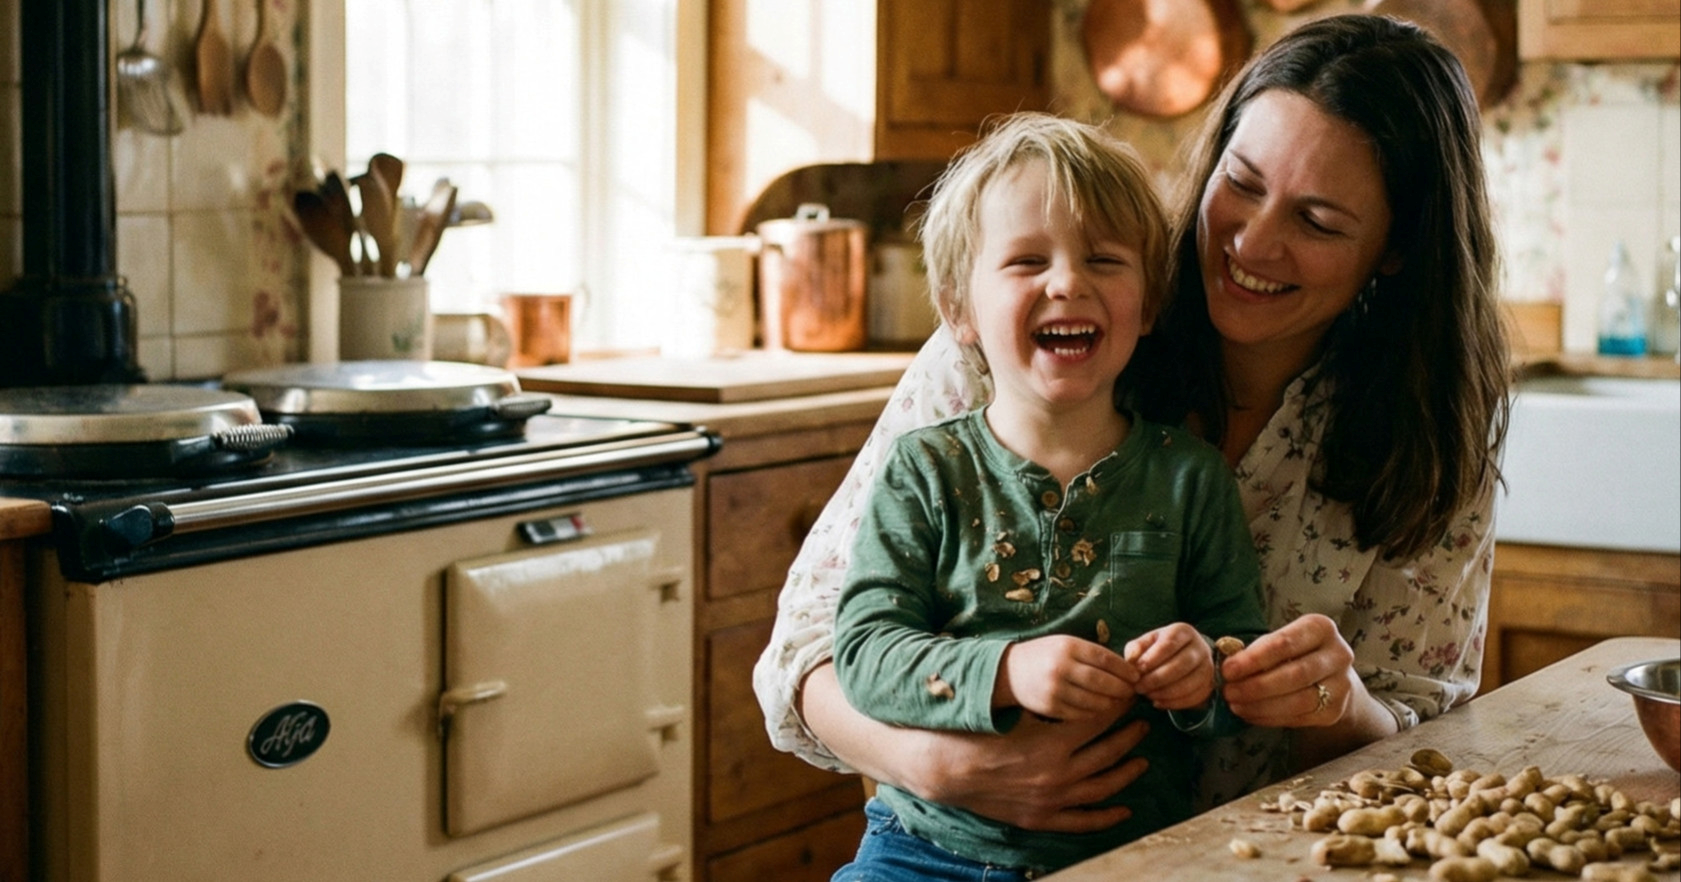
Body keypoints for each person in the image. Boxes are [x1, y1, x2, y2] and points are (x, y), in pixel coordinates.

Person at [754, 11, 1510, 837]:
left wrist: (1334, 703)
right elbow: (808, 647)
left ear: (1396, 250)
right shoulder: (1019, 338)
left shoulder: (1430, 426)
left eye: (1317, 222)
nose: (1252, 243)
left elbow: (1424, 744)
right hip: (935, 840)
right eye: (1243, 183)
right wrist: (948, 768)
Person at [829, 113, 1271, 879]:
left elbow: (1237, 658)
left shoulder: (1189, 478)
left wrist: (1201, 671)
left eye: (1103, 259)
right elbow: (865, 653)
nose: (1067, 282)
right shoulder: (925, 469)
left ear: (1150, 301)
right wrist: (1005, 671)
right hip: (921, 848)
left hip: (1133, 855)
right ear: (957, 311)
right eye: (1026, 260)